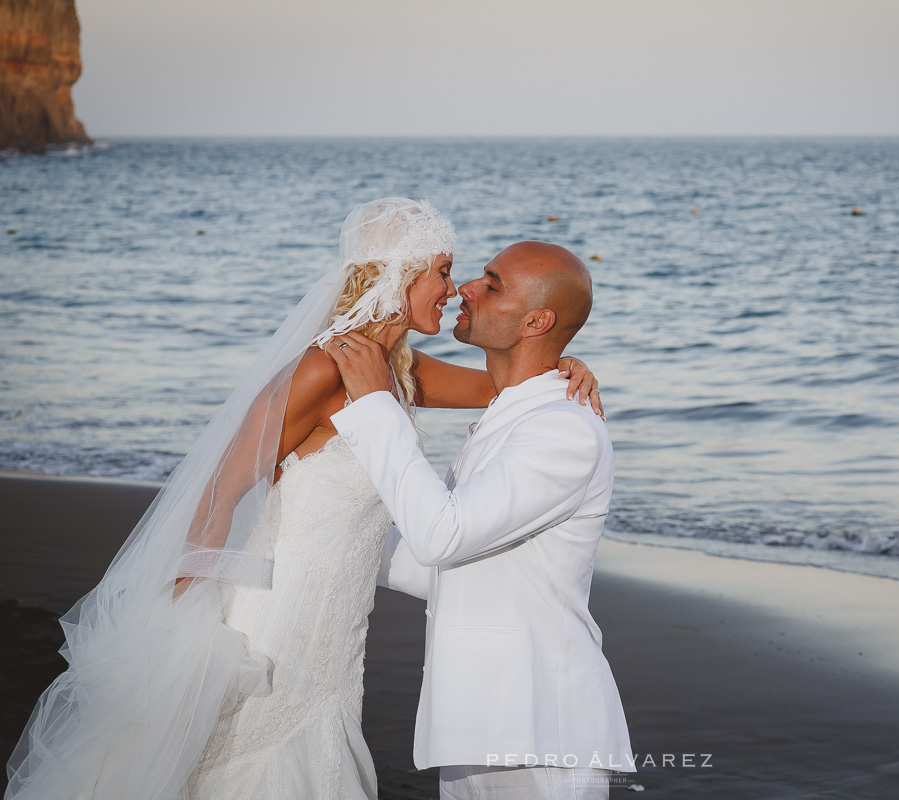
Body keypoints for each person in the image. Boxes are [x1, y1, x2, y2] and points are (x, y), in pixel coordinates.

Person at [4, 200, 602, 800]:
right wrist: (181, 615)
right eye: (443, 272)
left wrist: (566, 366)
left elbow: (505, 387)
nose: (453, 289)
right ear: (396, 275)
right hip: (276, 611)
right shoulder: (327, 366)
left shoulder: (397, 369)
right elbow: (222, 485)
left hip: (336, 628)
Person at [324, 241, 634, 800]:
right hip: (478, 723)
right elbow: (437, 568)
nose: (465, 287)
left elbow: (440, 536)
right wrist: (315, 528)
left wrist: (376, 405)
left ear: (537, 320)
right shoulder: (512, 415)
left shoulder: (564, 430)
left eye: (492, 284)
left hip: (542, 728)